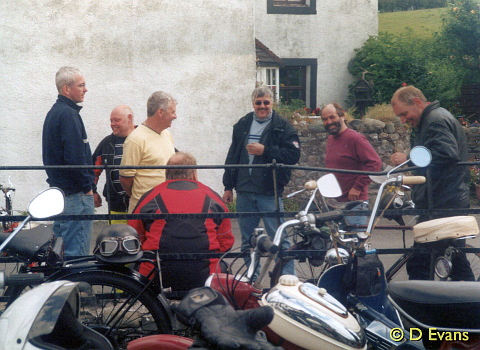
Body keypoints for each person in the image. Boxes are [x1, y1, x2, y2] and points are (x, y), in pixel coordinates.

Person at [390, 85, 473, 281]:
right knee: (450, 261)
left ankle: (426, 308)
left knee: (422, 263)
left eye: (404, 113)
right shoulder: (434, 117)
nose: (403, 120)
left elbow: (447, 154)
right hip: (445, 202)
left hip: (442, 205)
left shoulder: (434, 120)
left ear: (417, 102)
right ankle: (465, 304)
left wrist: (408, 157)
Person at [222, 85, 301, 279]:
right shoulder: (243, 124)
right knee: (249, 241)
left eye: (266, 102)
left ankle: (286, 279)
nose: (262, 106)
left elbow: (293, 155)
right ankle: (252, 281)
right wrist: (228, 186)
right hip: (244, 192)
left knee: (279, 238)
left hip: (269, 192)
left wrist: (265, 150)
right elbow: (233, 155)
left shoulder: (283, 126)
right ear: (253, 104)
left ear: (272, 103)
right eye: (258, 103)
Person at [128, 152, 234, 291]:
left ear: (166, 173)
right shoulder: (212, 197)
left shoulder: (150, 197)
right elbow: (226, 242)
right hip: (205, 276)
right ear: (194, 173)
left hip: (157, 276)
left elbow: (135, 237)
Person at [42, 66, 95, 256]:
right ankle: (75, 287)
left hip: (61, 195)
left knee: (61, 255)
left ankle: (59, 286)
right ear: (66, 89)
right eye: (81, 85)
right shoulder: (68, 114)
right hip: (75, 196)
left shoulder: (55, 113)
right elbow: (75, 157)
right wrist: (87, 187)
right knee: (77, 256)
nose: (85, 89)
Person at [321, 103, 382, 228]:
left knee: (354, 244)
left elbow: (375, 163)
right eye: (325, 119)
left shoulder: (355, 138)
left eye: (332, 117)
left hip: (354, 205)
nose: (329, 122)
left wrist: (357, 187)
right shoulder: (331, 139)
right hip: (335, 203)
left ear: (342, 116)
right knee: (337, 246)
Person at [119, 91, 176, 213]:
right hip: (145, 210)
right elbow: (125, 178)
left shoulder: (167, 135)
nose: (175, 116)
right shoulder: (136, 139)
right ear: (160, 112)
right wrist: (143, 198)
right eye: (172, 112)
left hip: (166, 207)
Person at [92, 105, 136, 224]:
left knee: (141, 240)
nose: (112, 124)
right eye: (111, 120)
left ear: (130, 118)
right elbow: (92, 169)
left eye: (117, 120)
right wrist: (92, 191)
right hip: (116, 204)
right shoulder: (107, 143)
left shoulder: (144, 139)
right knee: (119, 239)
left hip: (141, 203)